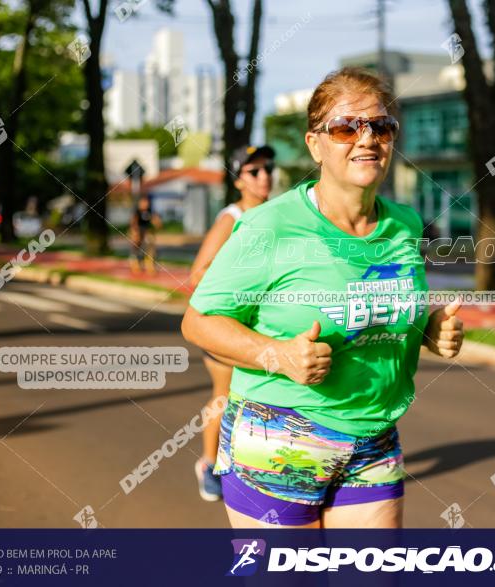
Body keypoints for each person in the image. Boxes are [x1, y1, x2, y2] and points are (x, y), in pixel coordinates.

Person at [181, 67, 464, 528]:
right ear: (315, 143)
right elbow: (198, 321)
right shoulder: (270, 227)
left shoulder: (406, 225)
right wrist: (276, 354)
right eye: (345, 126)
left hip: (373, 438)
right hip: (278, 439)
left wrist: (427, 329)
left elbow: (379, 309)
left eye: (381, 126)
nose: (366, 138)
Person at [189, 145, 275, 502]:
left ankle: (260, 469)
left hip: (262, 331)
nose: (265, 175)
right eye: (254, 171)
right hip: (229, 328)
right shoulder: (232, 218)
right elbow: (198, 273)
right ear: (239, 179)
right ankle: (208, 465)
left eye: (268, 168)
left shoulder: (275, 214)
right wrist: (241, 293)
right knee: (224, 397)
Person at [129, 195, 162, 274]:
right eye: (143, 202)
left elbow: (155, 221)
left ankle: (150, 265)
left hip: (147, 231)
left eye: (146, 202)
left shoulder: (150, 211)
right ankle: (135, 262)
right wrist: (135, 232)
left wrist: (157, 223)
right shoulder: (137, 211)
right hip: (138, 231)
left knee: (150, 246)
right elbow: (133, 222)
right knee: (137, 247)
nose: (145, 204)